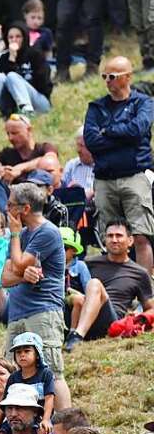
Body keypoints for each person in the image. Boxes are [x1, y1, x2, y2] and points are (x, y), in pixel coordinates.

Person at [2, 181, 69, 409]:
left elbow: (18, 262)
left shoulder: (47, 232)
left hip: (43, 312)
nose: (6, 208)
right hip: (17, 313)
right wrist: (21, 275)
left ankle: (66, 428)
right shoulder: (22, 235)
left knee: (51, 372)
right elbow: (5, 277)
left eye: (10, 204)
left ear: (25, 209)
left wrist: (13, 236)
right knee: (14, 372)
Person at [84, 56, 154, 273]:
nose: (107, 81)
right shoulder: (96, 106)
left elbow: (138, 130)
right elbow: (91, 140)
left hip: (134, 177)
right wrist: (122, 136)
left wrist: (108, 131)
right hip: (104, 179)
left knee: (141, 235)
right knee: (110, 238)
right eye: (105, 76)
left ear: (128, 77)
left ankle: (146, 290)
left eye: (112, 76)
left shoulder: (143, 102)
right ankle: (115, 285)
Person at [65, 221, 154, 349]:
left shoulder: (139, 273)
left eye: (119, 236)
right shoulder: (89, 263)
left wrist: (137, 319)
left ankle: (77, 336)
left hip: (109, 321)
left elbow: (150, 308)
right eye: (110, 236)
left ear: (130, 241)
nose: (114, 240)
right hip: (81, 311)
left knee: (94, 284)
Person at [0, 22, 52, 116]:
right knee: (4, 77)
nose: (14, 40)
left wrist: (23, 82)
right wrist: (12, 59)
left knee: (12, 76)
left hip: (39, 101)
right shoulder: (3, 59)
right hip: (13, 106)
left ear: (24, 37)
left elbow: (45, 85)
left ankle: (27, 110)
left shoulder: (35, 54)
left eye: (18, 37)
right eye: (11, 37)